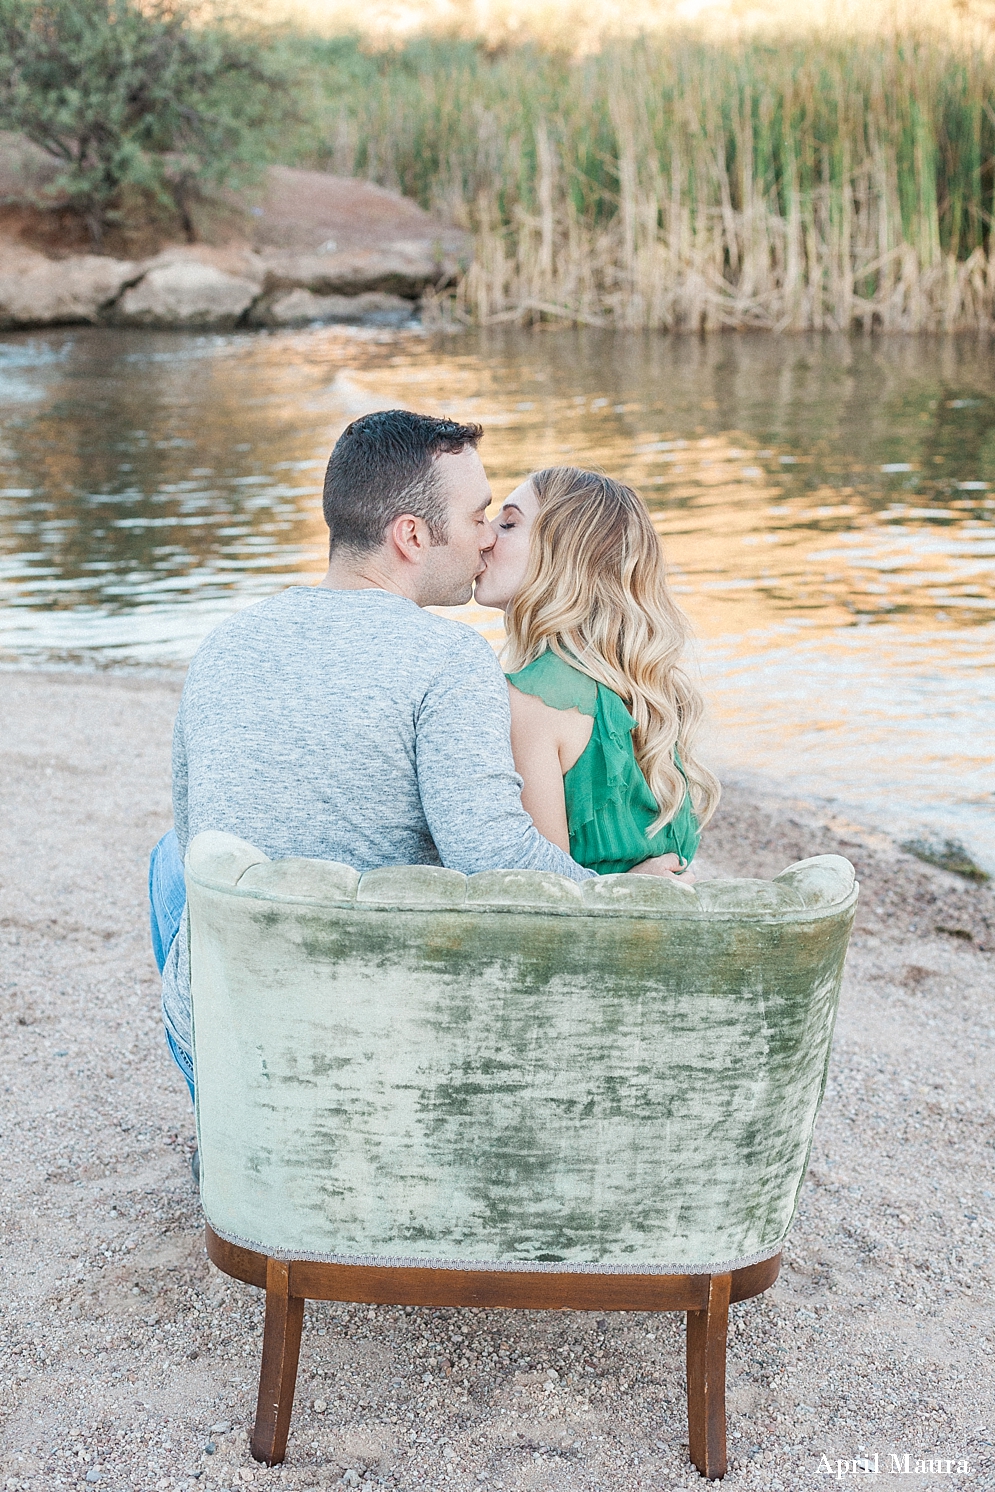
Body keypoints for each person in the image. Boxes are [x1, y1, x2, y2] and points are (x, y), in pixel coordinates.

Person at [151, 414, 678, 1104]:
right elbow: (494, 856)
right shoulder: (449, 657)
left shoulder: (223, 643)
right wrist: (622, 897)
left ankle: (221, 1111)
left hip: (211, 1028)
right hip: (366, 1038)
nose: (489, 535)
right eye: (479, 516)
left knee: (172, 856)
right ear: (411, 536)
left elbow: (197, 832)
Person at [473, 466, 720, 877]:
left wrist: (628, 890)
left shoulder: (529, 703)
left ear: (565, 554)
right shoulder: (651, 691)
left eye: (509, 523)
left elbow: (545, 895)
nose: (485, 537)